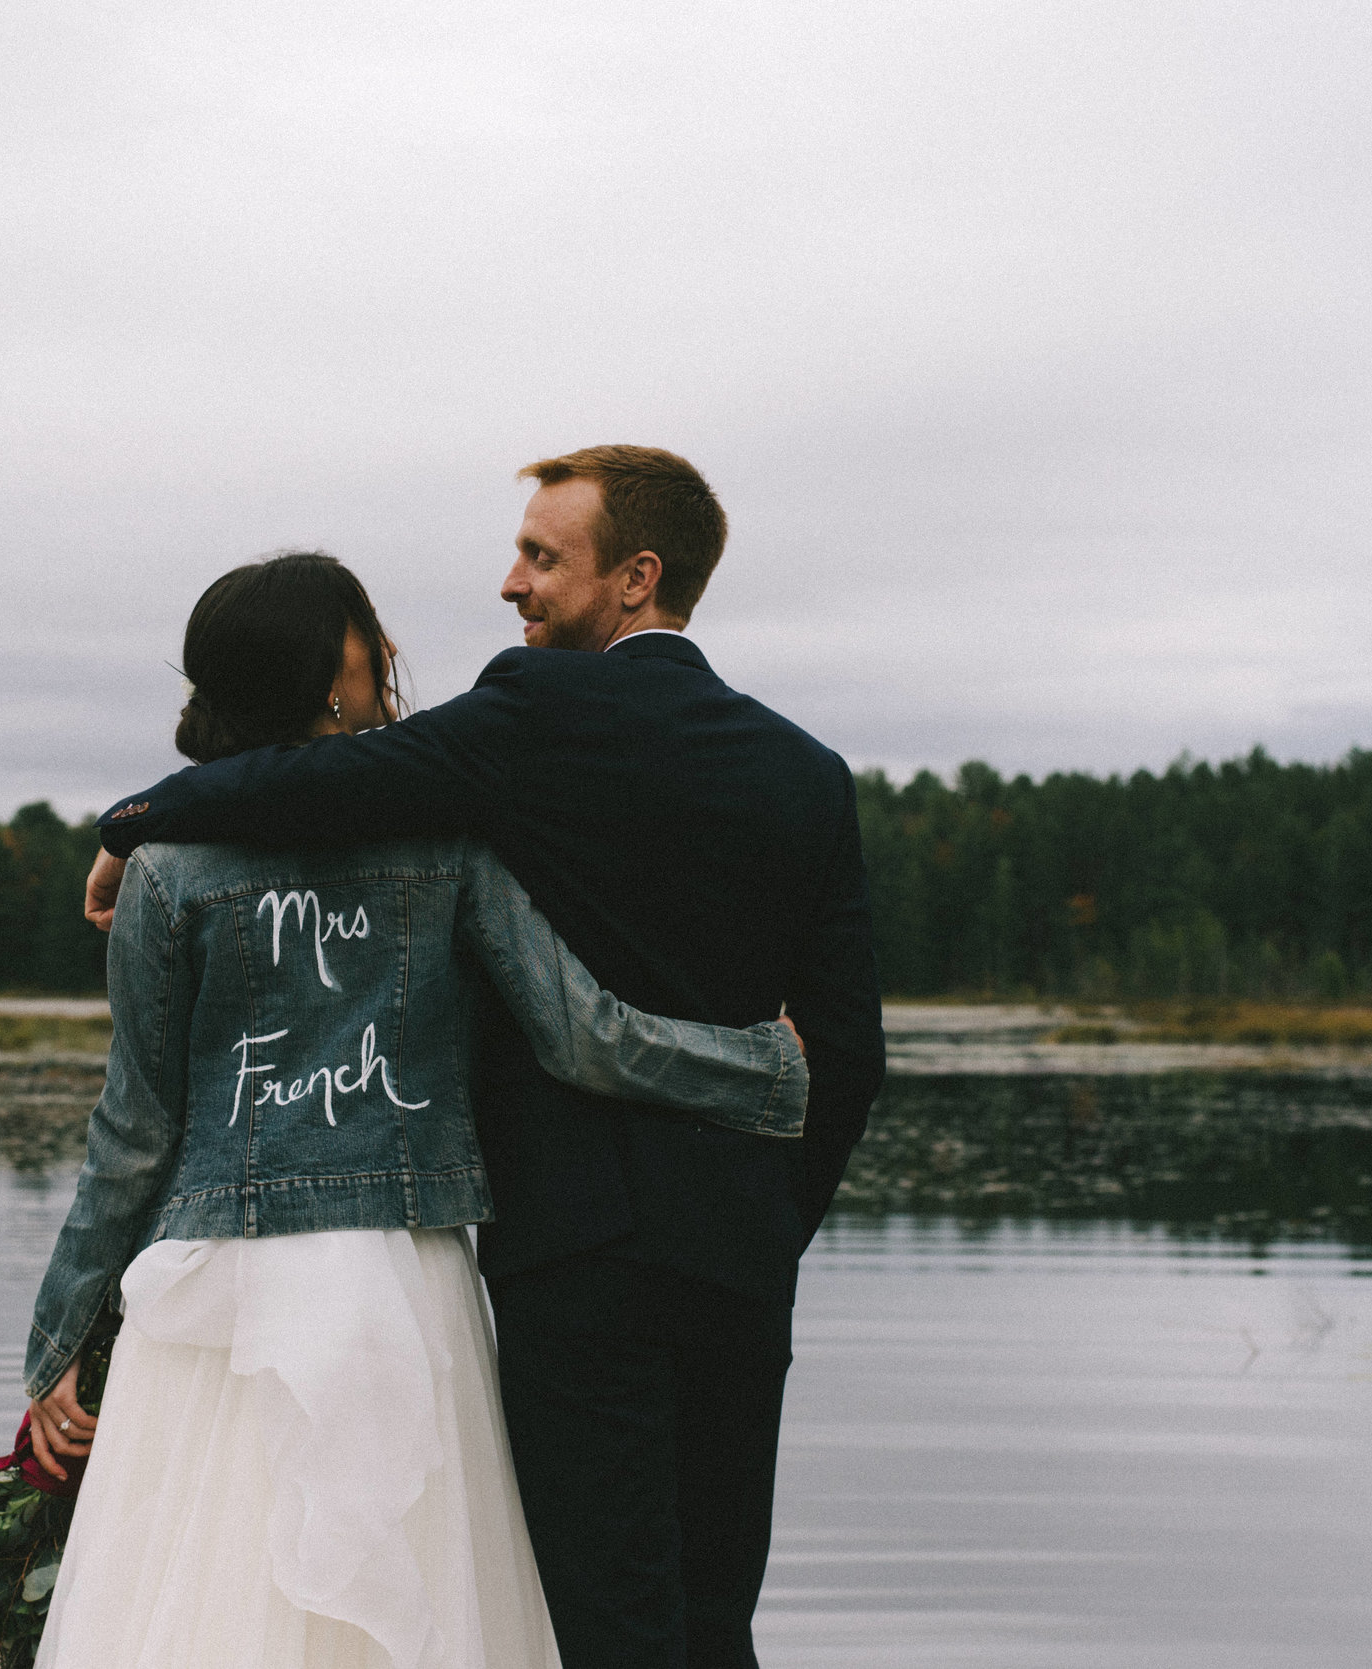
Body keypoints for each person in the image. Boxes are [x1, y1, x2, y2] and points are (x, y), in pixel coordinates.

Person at [83, 447, 887, 1669]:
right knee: (715, 1612)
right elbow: (847, 1052)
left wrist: (134, 819)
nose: (511, 583)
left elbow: (329, 780)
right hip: (738, 1252)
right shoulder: (806, 773)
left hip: (576, 1252)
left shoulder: (533, 711)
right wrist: (768, 1219)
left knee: (609, 1618)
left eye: (541, 557)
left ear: (636, 578)